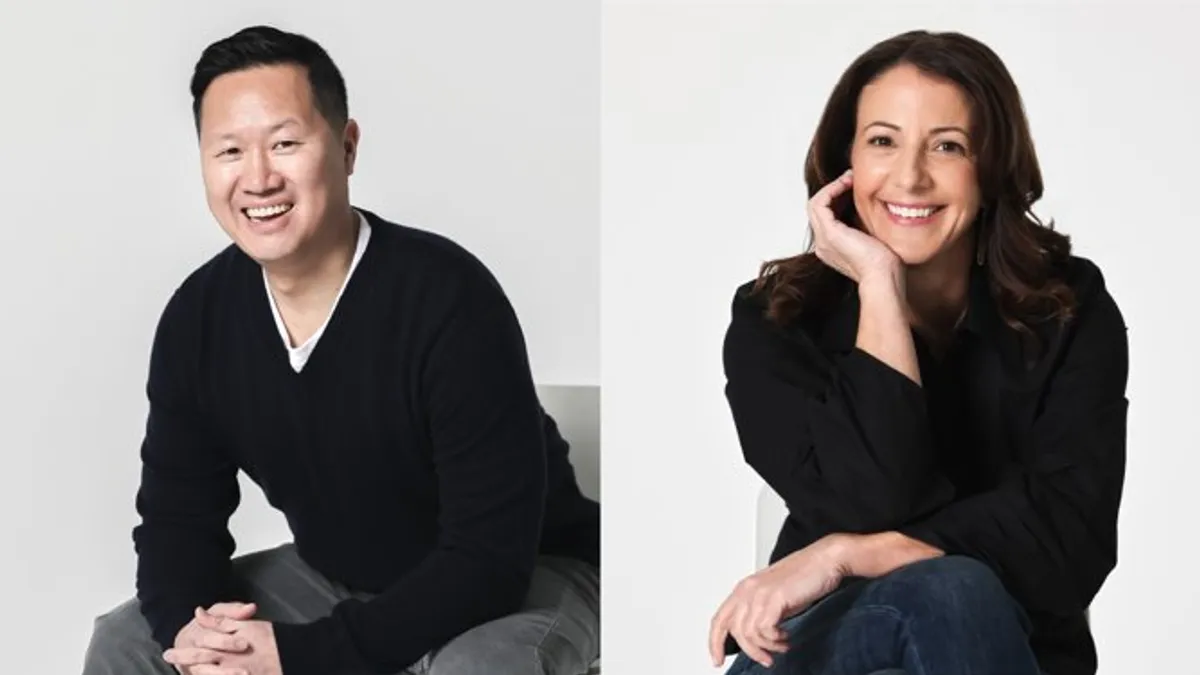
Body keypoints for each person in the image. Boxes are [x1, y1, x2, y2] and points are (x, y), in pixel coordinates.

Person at [82, 25, 600, 675]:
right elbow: (176, 523)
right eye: (230, 151)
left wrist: (304, 654)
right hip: (339, 577)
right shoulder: (198, 318)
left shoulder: (449, 297)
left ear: (346, 147)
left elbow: (488, 561)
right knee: (127, 640)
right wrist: (201, 635)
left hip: (526, 577)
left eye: (286, 143)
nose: (259, 177)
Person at [708, 30, 1127, 675]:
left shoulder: (1067, 311)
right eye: (882, 141)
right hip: (817, 650)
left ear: (991, 169)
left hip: (1005, 649)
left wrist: (843, 554)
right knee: (950, 585)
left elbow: (1070, 540)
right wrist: (878, 285)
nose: (910, 176)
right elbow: (871, 499)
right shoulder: (775, 320)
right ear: (843, 161)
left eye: (948, 146)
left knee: (956, 593)